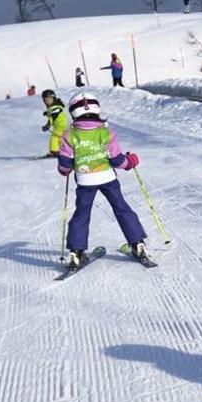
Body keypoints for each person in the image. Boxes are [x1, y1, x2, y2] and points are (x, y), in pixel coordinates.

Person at [56, 95, 149, 268]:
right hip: (108, 178)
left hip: (85, 181)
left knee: (82, 214)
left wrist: (64, 170)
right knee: (121, 208)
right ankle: (138, 243)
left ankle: (76, 251)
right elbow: (117, 160)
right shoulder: (106, 133)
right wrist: (131, 162)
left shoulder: (70, 135)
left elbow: (65, 164)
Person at [39, 89, 67, 157]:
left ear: (53, 98)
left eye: (49, 100)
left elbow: (53, 116)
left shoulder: (56, 107)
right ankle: (64, 151)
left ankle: (54, 152)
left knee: (54, 137)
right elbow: (52, 112)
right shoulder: (55, 106)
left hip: (61, 125)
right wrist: (47, 113)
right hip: (62, 125)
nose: (48, 102)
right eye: (46, 100)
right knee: (61, 138)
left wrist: (48, 125)